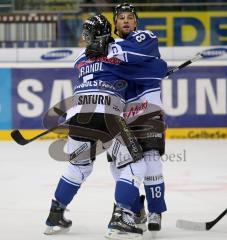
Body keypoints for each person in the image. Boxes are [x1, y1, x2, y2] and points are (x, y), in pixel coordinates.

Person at [44, 14, 146, 239]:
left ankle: (55, 214)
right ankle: (122, 217)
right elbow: (136, 72)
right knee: (133, 164)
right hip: (108, 114)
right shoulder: (120, 48)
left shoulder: (80, 57)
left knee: (78, 168)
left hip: (80, 116)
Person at [105, 3, 167, 236]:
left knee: (151, 162)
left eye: (131, 17)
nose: (127, 21)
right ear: (115, 23)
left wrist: (119, 65)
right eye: (121, 18)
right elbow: (156, 67)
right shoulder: (108, 45)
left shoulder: (146, 35)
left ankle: (155, 211)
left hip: (148, 109)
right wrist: (151, 67)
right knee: (119, 166)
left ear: (136, 21)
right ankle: (132, 210)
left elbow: (143, 59)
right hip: (121, 115)